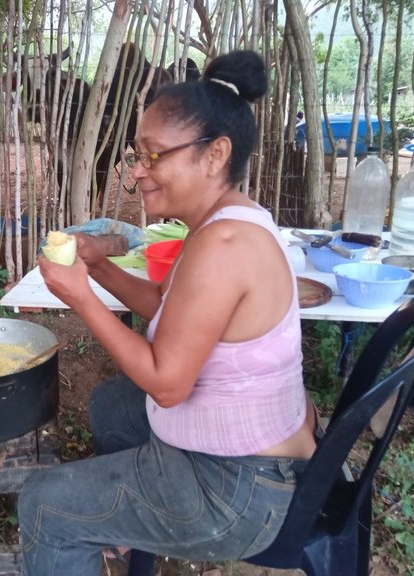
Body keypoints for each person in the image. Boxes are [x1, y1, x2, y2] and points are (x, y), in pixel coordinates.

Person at [17, 49, 317, 576]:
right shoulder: (229, 220)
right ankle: (133, 537)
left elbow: (168, 383)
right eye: (138, 155)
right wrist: (97, 268)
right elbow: (165, 307)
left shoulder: (221, 245)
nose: (138, 171)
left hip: (240, 492)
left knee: (45, 502)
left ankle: (113, 525)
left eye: (154, 155)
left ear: (214, 154)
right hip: (254, 463)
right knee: (113, 403)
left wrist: (82, 299)